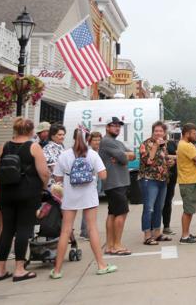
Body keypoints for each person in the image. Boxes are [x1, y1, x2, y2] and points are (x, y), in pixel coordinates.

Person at [50, 129, 117, 279]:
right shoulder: (92, 154)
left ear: (73, 138)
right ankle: (101, 265)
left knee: (65, 231)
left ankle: (57, 270)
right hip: (89, 195)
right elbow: (103, 175)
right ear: (87, 139)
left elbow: (57, 177)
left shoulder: (64, 155)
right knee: (92, 228)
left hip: (70, 196)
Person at [0, 117, 50, 282]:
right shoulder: (34, 147)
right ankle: (19, 269)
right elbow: (44, 172)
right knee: (24, 229)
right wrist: (43, 187)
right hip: (27, 192)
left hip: (6, 193)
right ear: (32, 131)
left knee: (7, 230)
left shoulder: (4, 146)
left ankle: (1, 269)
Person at [99, 117, 135, 256]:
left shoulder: (117, 142)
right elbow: (124, 158)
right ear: (107, 127)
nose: (117, 128)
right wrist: (124, 157)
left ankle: (109, 245)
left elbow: (132, 155)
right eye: (114, 126)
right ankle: (117, 245)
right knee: (121, 212)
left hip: (118, 182)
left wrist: (125, 156)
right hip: (115, 182)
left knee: (112, 213)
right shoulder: (107, 141)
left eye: (119, 126)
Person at [138, 121, 172, 245]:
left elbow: (164, 160)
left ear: (164, 133)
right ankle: (147, 235)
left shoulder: (164, 145)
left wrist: (169, 162)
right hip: (149, 180)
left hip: (162, 180)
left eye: (161, 131)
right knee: (149, 208)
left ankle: (157, 233)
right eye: (156, 131)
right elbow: (148, 161)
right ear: (153, 131)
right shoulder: (146, 144)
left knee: (159, 208)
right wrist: (155, 146)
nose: (158, 133)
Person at [176, 123, 196, 244]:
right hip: (189, 181)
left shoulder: (185, 144)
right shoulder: (187, 145)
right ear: (187, 133)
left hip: (189, 180)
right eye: (194, 133)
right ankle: (184, 236)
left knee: (190, 209)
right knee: (188, 210)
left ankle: (186, 233)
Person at [79, 132, 103, 240]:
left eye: (99, 140)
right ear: (90, 141)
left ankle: (86, 230)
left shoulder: (98, 151)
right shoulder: (88, 152)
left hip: (96, 181)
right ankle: (85, 231)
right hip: (89, 182)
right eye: (95, 140)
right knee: (89, 206)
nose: (97, 142)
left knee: (91, 206)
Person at [162, 130, 179, 235]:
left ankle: (166, 226)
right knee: (158, 203)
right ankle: (154, 228)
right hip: (159, 177)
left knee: (168, 201)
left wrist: (172, 160)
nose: (161, 133)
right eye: (158, 131)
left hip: (172, 176)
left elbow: (179, 156)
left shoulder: (171, 143)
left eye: (163, 131)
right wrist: (169, 158)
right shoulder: (153, 144)